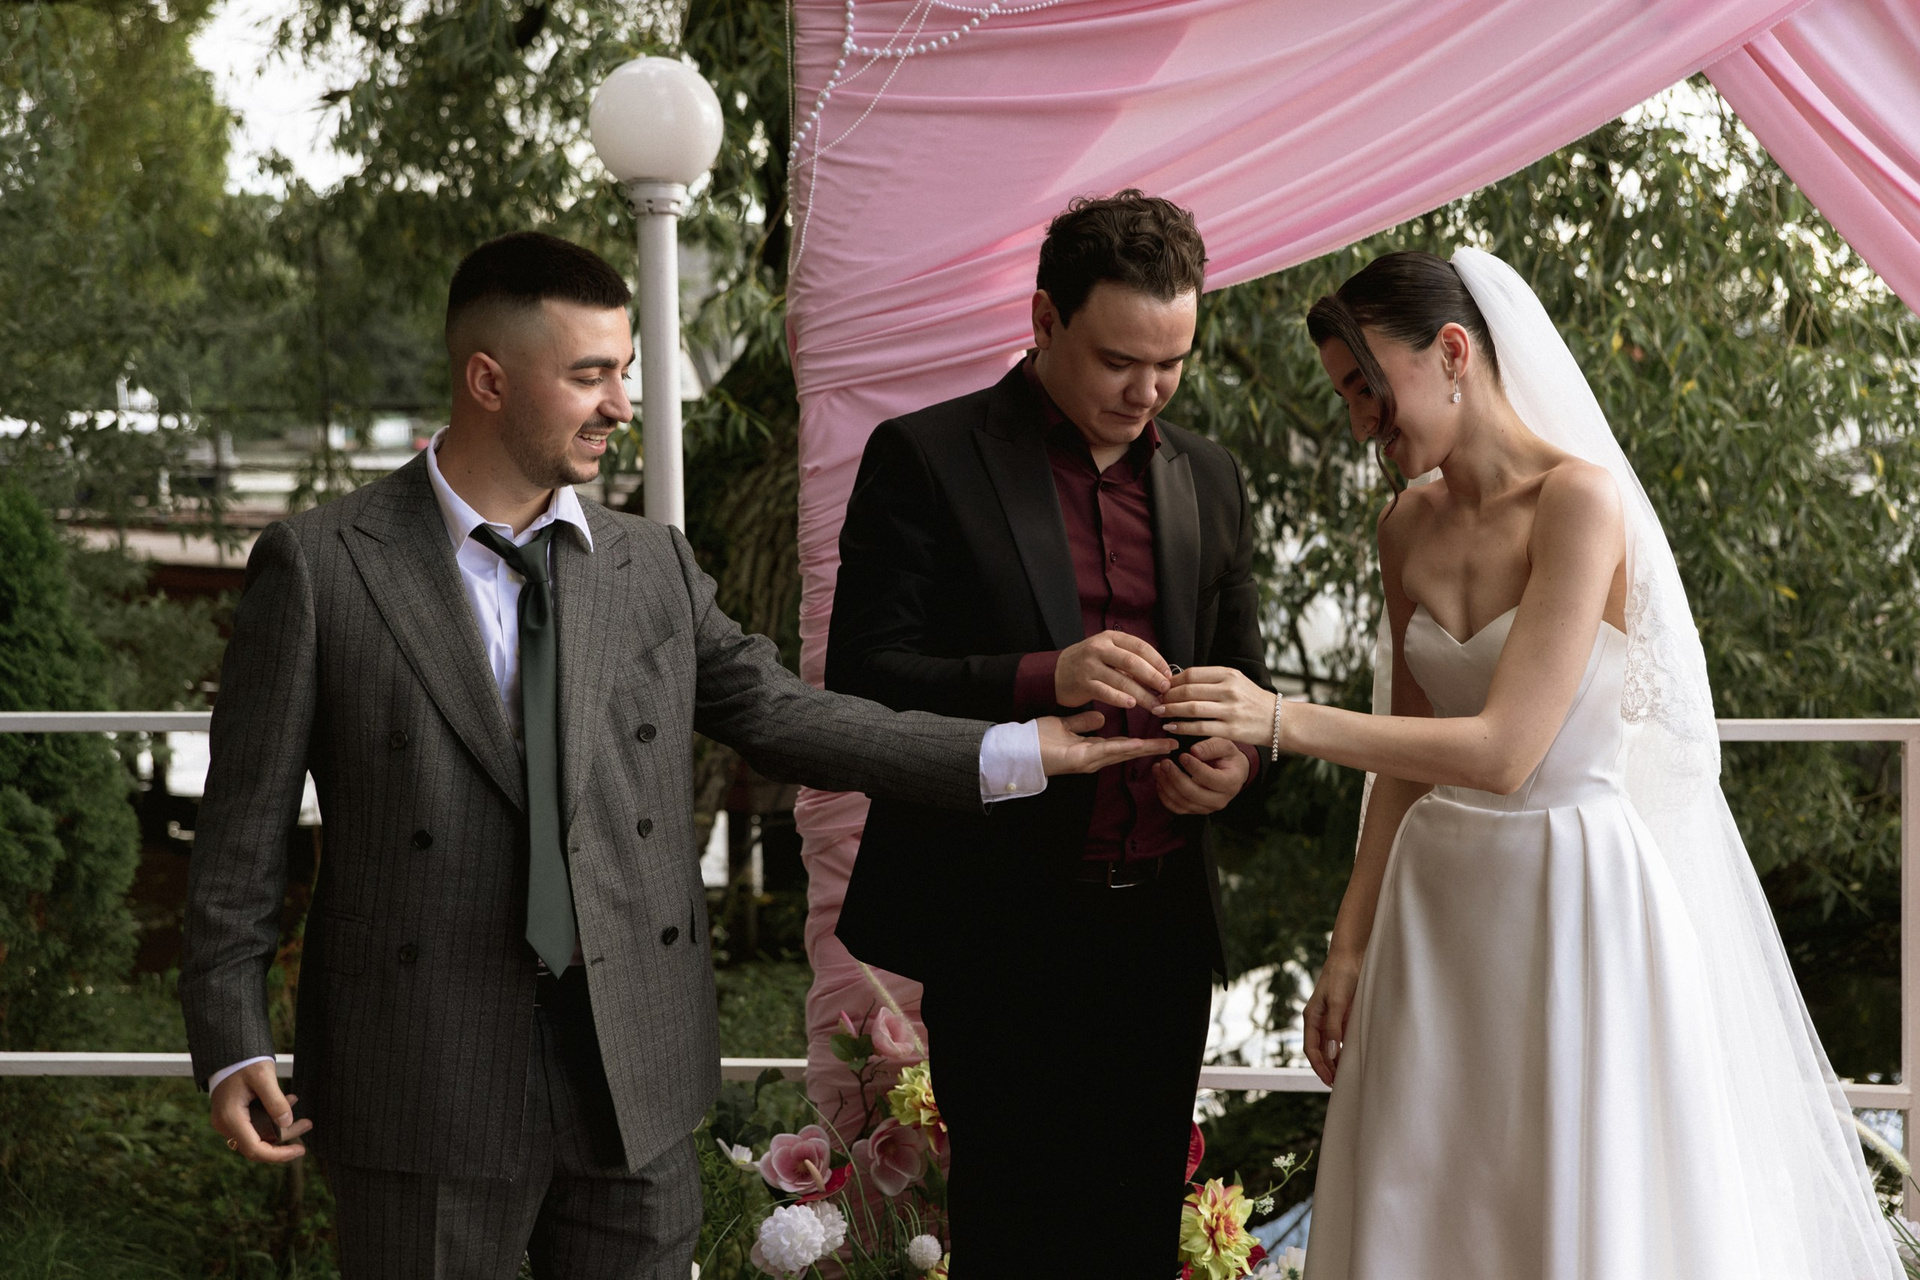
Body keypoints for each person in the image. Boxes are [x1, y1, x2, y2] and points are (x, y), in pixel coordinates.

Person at [178, 231, 1172, 1280]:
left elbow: (784, 713)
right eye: (590, 376)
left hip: (633, 1065)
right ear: (488, 380)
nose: (621, 404)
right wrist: (233, 1036)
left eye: (626, 372)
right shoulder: (324, 566)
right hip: (421, 1066)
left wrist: (1017, 749)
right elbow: (241, 835)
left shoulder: (650, 562)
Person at [1154, 248, 1901, 1278]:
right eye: (1344, 397)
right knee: (1428, 1197)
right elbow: (1404, 759)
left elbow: (1506, 751)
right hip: (1433, 906)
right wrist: (1349, 943)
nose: (1362, 422)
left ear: (1453, 352)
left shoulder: (1579, 502)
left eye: (1370, 386)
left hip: (1573, 901)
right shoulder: (1403, 527)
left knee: (1569, 1204)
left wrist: (1278, 718)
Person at [826, 190, 1270, 1277]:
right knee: (1014, 1236)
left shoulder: (1210, 474)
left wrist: (1239, 759)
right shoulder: (925, 456)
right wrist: (1042, 676)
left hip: (1163, 927)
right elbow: (862, 680)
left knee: (1136, 1237)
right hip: (1003, 922)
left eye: (1172, 363)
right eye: (1120, 360)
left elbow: (1249, 682)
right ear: (1041, 320)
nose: (1148, 391)